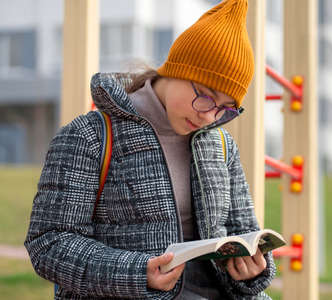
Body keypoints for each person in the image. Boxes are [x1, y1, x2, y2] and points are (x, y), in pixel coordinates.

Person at [24, 0, 275, 299]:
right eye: (206, 97)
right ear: (176, 70)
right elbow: (49, 243)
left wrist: (254, 268)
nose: (209, 116)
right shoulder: (90, 136)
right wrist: (136, 272)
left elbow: (243, 230)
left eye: (225, 109)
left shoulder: (221, 146)